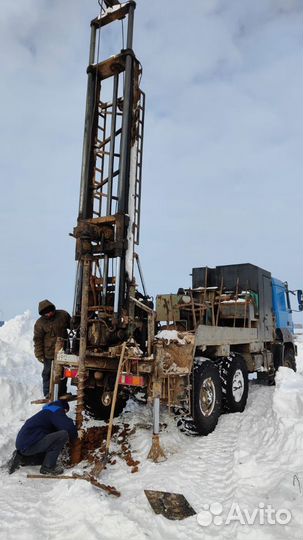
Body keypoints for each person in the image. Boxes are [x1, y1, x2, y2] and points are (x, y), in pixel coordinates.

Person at [8, 400, 78, 475]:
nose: (64, 414)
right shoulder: (56, 410)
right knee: (63, 434)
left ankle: (22, 458)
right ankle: (48, 467)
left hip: (24, 444)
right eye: (65, 412)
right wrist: (75, 438)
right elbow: (67, 427)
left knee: (46, 457)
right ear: (64, 408)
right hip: (29, 444)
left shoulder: (47, 411)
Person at [33, 299, 71, 398]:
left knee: (63, 373)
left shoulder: (63, 315)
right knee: (47, 373)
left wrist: (75, 322)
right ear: (43, 314)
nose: (49, 314)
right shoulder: (40, 323)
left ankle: (62, 392)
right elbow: (38, 340)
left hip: (64, 351)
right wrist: (39, 354)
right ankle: (47, 393)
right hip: (48, 353)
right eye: (46, 313)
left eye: (50, 311)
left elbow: (73, 326)